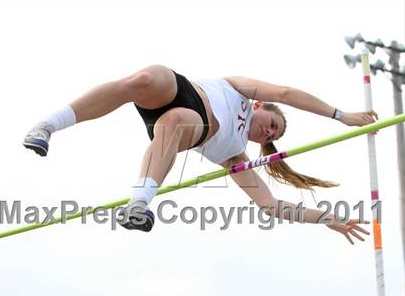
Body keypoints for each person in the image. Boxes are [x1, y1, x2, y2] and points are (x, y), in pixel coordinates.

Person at [23, 64, 377, 243]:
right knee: (142, 80)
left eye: (274, 135)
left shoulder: (235, 154)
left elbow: (271, 206)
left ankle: (139, 203)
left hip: (192, 123)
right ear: (258, 106)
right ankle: (47, 127)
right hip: (180, 88)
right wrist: (341, 116)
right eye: (272, 123)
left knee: (176, 121)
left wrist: (326, 219)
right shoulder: (238, 88)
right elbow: (285, 92)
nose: (270, 131)